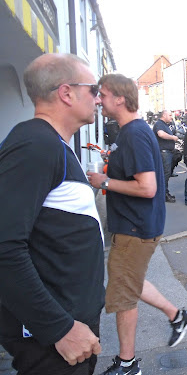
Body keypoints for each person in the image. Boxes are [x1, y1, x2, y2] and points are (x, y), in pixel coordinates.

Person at [0, 53, 104, 374]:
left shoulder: (53, 144)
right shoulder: (35, 145)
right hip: (56, 338)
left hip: (71, 325)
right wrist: (58, 327)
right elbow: (4, 246)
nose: (99, 99)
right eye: (93, 89)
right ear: (66, 93)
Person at [88, 74, 187, 375]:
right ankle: (178, 316)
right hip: (137, 226)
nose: (98, 100)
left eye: (103, 95)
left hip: (135, 228)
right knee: (129, 282)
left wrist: (105, 181)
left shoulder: (134, 133)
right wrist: (114, 161)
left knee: (123, 293)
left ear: (120, 98)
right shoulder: (131, 132)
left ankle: (128, 364)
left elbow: (147, 187)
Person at [153, 109, 179, 203]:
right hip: (164, 153)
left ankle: (164, 193)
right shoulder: (159, 124)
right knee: (165, 174)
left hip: (166, 152)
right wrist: (173, 137)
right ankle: (163, 195)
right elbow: (161, 134)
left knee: (166, 174)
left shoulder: (164, 125)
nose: (171, 117)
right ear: (164, 115)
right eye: (170, 115)